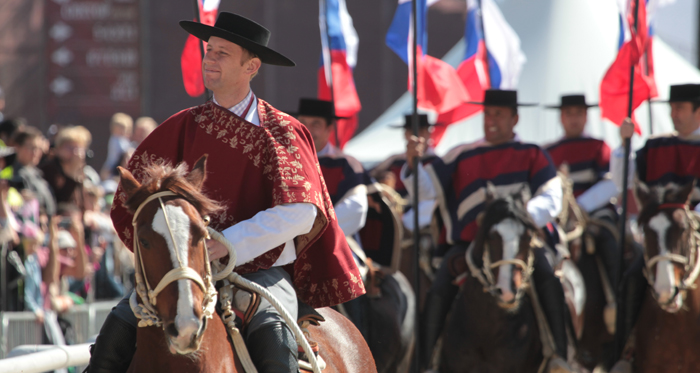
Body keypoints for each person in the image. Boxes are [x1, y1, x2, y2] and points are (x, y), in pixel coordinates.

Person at [87, 13, 364, 373]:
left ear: (251, 66)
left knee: (274, 340)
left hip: (262, 270)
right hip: (183, 271)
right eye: (209, 51)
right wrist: (175, 253)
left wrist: (226, 243)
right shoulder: (180, 128)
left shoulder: (281, 131)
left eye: (222, 53)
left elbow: (302, 211)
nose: (210, 59)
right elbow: (133, 201)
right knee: (115, 332)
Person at [405, 89, 572, 372]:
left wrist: (518, 219)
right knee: (440, 286)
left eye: (499, 114)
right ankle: (424, 362)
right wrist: (413, 162)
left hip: (522, 244)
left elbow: (551, 196)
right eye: (487, 114)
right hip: (471, 244)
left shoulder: (533, 153)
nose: (491, 120)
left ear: (514, 118)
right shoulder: (462, 154)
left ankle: (560, 356)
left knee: (547, 276)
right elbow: (425, 189)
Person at [611, 84, 700, 367]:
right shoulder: (653, 145)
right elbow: (622, 180)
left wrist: (691, 220)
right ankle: (624, 353)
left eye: (680, 108)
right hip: (659, 237)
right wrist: (623, 145)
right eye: (672, 108)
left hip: (695, 233)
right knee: (632, 279)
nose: (674, 114)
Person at [543, 94, 620, 303]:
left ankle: (618, 302)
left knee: (609, 240)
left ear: (586, 117)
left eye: (579, 113)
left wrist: (581, 206)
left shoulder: (598, 146)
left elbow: (610, 183)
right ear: (561, 117)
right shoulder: (548, 152)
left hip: (594, 213)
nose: (573, 119)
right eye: (569, 114)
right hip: (559, 215)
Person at [370, 114, 439, 232]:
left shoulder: (438, 163)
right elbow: (370, 178)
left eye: (421, 131)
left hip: (424, 225)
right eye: (412, 131)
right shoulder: (393, 161)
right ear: (405, 134)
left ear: (428, 133)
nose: (417, 136)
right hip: (392, 219)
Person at [9, 127, 56, 216]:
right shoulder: (15, 174)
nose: (36, 152)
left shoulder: (37, 173)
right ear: (17, 147)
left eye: (38, 149)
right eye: (32, 148)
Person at [101, 113, 133, 180]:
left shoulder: (123, 139)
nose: (121, 130)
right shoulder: (115, 139)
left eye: (123, 128)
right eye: (119, 128)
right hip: (113, 164)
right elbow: (124, 150)